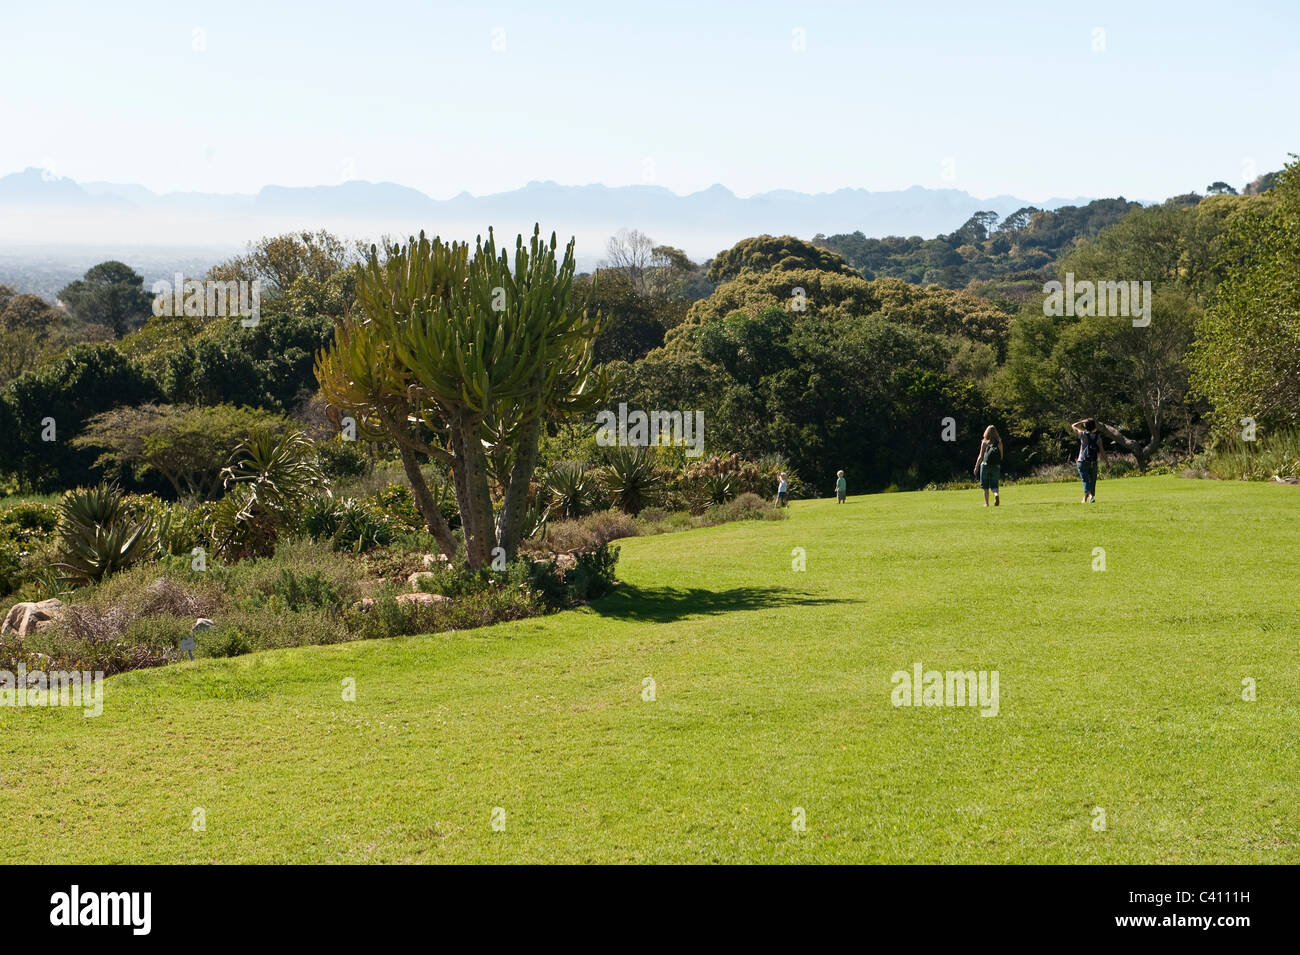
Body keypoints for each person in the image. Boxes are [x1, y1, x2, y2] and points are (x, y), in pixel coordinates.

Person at [1071, 418, 1107, 503]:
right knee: (1092, 481)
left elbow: (1073, 426)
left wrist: (1081, 421)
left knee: (1085, 480)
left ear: (1085, 426)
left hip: (1082, 461)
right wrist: (1107, 462)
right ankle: (1086, 498)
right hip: (1093, 461)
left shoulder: (1082, 434)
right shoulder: (1098, 437)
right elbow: (1102, 451)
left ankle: (1090, 496)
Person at [973, 425, 1004, 507]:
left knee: (985, 486)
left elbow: (980, 456)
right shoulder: (999, 442)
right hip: (996, 466)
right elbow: (1001, 456)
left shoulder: (984, 442)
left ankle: (986, 503)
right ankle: (996, 494)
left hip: (985, 465)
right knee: (994, 484)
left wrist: (976, 467)